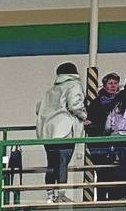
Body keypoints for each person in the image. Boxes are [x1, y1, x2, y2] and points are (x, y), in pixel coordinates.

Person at [35, 62, 87, 202]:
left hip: (48, 133)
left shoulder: (51, 90)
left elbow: (38, 108)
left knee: (51, 165)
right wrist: (84, 117)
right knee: (62, 164)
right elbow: (75, 105)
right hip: (64, 131)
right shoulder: (74, 85)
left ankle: (50, 195)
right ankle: (61, 195)